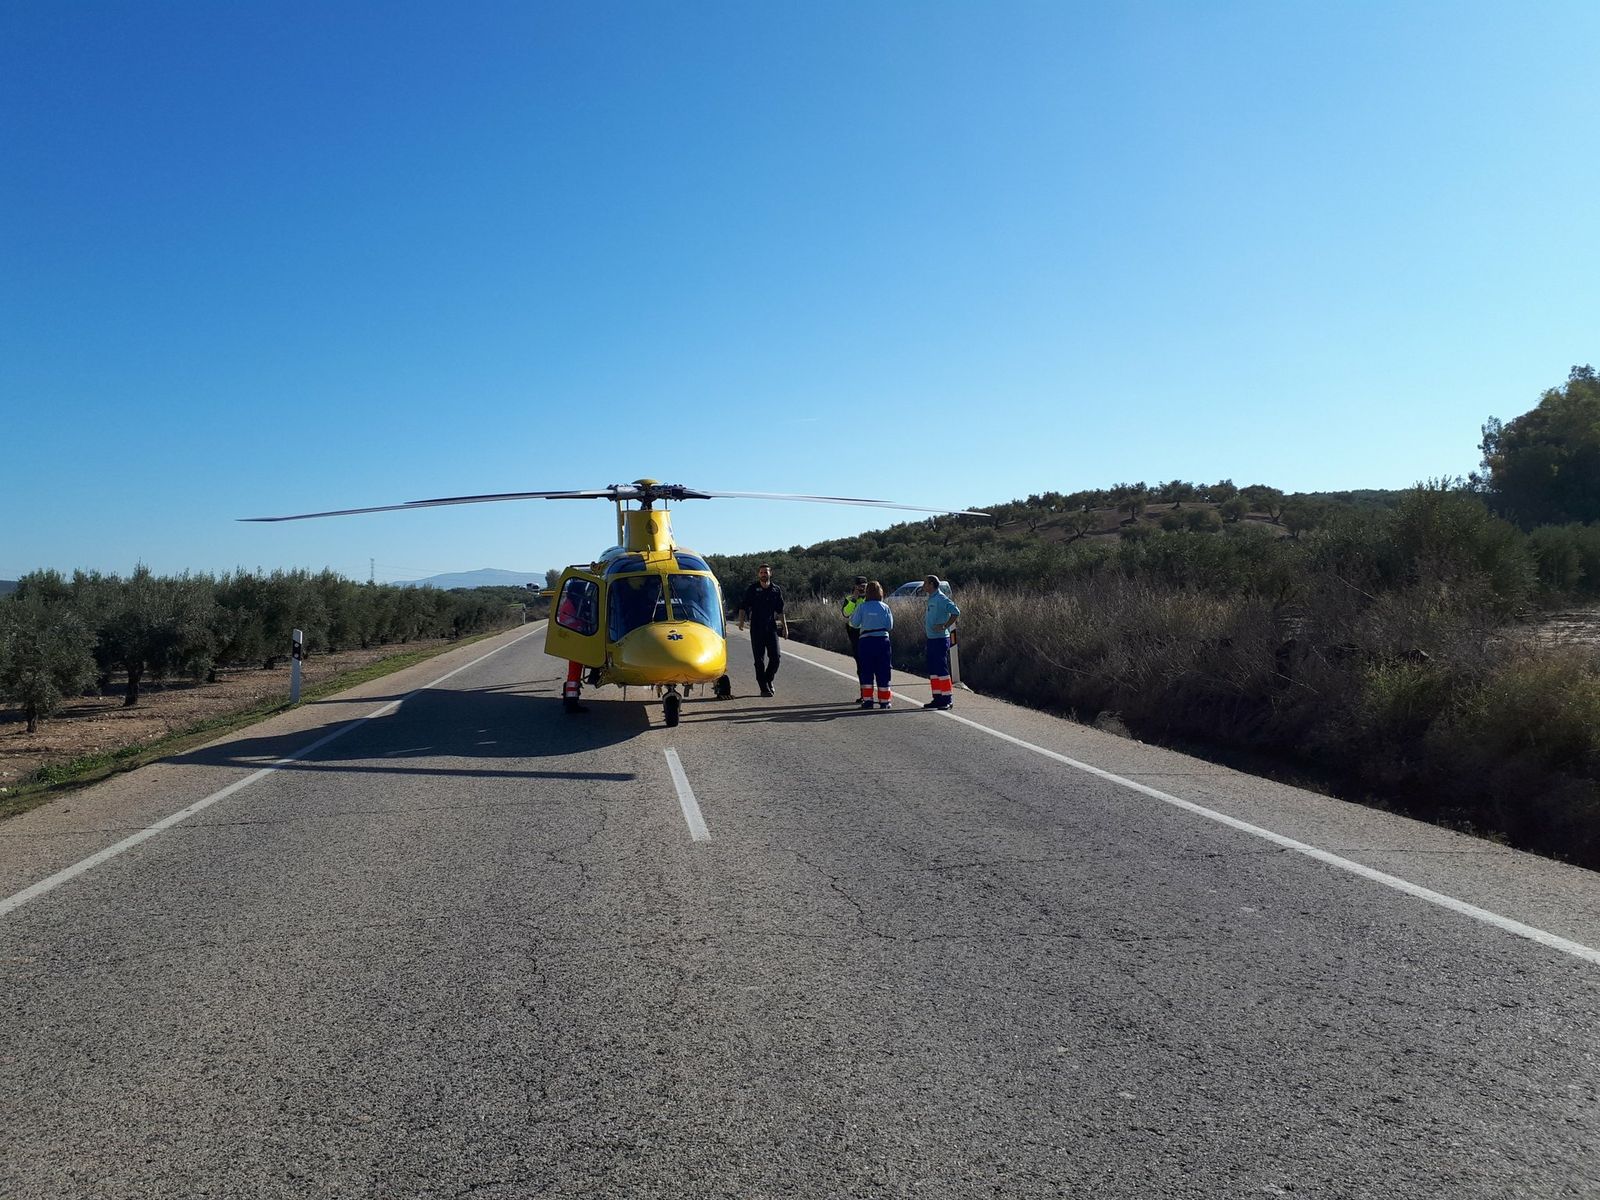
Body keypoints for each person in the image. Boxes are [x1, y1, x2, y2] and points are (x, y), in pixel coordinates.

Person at [736, 564, 788, 697]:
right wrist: (741, 622)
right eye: (761, 572)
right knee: (759, 660)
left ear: (771, 573)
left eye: (766, 572)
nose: (764, 574)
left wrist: (785, 628)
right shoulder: (753, 589)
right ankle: (763, 688)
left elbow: (780, 610)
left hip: (771, 628)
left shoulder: (776, 590)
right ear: (758, 574)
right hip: (756, 628)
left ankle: (768, 679)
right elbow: (743, 606)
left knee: (776, 657)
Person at [848, 580, 894, 709]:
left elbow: (854, 623)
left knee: (866, 671)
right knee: (883, 670)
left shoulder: (862, 607)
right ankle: (885, 701)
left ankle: (868, 700)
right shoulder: (885, 607)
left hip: (866, 641)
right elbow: (890, 626)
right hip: (882, 641)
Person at [921, 574, 960, 710]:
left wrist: (944, 625)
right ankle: (937, 698)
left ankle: (947, 699)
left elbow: (956, 612)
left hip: (940, 639)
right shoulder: (931, 598)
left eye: (925, 583)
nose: (923, 586)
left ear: (932, 584)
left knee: (941, 669)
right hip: (931, 639)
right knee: (933, 670)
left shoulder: (941, 598)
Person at [841, 576, 868, 664]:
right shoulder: (849, 598)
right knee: (857, 654)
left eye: (864, 586)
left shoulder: (870, 598)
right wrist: (854, 600)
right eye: (859, 586)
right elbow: (846, 614)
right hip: (854, 630)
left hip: (867, 629)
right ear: (855, 587)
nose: (862, 589)